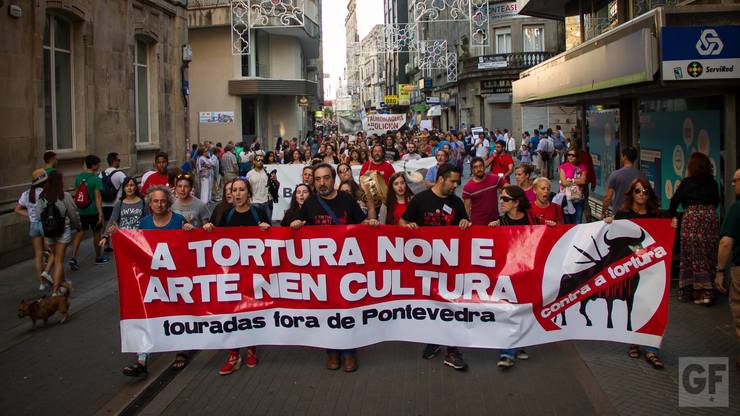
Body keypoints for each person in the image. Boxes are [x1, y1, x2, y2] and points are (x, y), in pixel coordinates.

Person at [290, 163, 378, 372]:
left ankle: (349, 351)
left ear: (333, 179)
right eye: (318, 179)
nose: (322, 182)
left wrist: (370, 223)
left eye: (326, 178)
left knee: (348, 308)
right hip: (321, 269)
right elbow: (296, 228)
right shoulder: (310, 203)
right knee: (326, 310)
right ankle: (331, 351)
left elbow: (361, 222)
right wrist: (295, 226)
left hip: (347, 266)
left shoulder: (346, 199)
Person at [400, 164, 471, 371]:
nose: (456, 185)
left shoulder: (456, 202)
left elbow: (465, 226)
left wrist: (466, 225)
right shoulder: (421, 200)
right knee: (432, 305)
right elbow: (402, 222)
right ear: (441, 179)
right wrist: (409, 227)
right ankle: (434, 339)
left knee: (451, 305)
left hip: (450, 266)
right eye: (453, 181)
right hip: (426, 265)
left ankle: (452, 350)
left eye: (457, 182)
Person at [121, 186, 194, 378]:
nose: (159, 204)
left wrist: (189, 230)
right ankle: (141, 360)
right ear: (150, 203)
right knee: (147, 314)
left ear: (168, 202)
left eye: (162, 201)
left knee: (178, 311)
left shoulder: (178, 220)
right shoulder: (144, 222)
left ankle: (182, 350)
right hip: (152, 279)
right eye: (155, 201)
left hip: (176, 278)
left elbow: (191, 246)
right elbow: (136, 246)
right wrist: (115, 235)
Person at [604, 178, 675, 369]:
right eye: (638, 191)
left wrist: (672, 226)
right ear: (631, 194)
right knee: (634, 304)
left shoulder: (657, 215)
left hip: (653, 269)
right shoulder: (623, 214)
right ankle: (634, 340)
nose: (642, 194)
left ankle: (652, 348)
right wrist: (609, 222)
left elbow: (662, 238)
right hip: (632, 269)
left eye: (645, 191)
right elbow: (616, 238)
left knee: (654, 306)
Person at [203, 178, 269, 375]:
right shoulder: (226, 214)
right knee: (232, 311)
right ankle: (233, 354)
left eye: (241, 190)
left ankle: (251, 349)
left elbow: (271, 240)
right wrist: (209, 230)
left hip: (253, 272)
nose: (238, 194)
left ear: (248, 192)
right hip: (231, 272)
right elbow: (217, 239)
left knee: (250, 310)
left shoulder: (259, 212)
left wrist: (266, 230)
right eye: (234, 190)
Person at [488, 185, 540, 368]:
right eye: (500, 198)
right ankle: (507, 352)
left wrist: (551, 227)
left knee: (523, 310)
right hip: (507, 276)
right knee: (507, 312)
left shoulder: (532, 219)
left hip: (527, 273)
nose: (501, 202)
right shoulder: (499, 223)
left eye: (505, 199)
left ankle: (519, 345)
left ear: (516, 202)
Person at [669, 152, 721, 305]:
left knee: (691, 254)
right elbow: (717, 202)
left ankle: (691, 290)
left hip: (692, 218)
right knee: (708, 252)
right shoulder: (713, 183)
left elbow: (674, 202)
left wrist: (673, 216)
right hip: (710, 218)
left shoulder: (687, 183)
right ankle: (707, 290)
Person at [37, 171, 79, 296]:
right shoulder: (64, 195)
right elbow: (73, 213)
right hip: (63, 230)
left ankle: (63, 282)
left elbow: (39, 215)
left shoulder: (42, 197)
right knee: (59, 261)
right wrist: (77, 226)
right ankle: (55, 292)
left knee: (56, 258)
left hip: (49, 232)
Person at [715, 169, 740, 369]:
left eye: (735, 181)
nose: (732, 184)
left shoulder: (737, 208)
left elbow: (725, 242)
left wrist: (720, 270)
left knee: (739, 308)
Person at [15, 169, 54, 290]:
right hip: (45, 224)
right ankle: (46, 272)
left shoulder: (26, 193)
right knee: (54, 252)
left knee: (38, 254)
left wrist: (30, 215)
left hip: (34, 225)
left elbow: (17, 209)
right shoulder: (47, 192)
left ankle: (41, 283)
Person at [68, 155, 108, 270]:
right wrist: (100, 214)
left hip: (81, 210)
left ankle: (73, 257)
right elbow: (97, 198)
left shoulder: (79, 177)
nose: (99, 166)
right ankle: (98, 256)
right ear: (94, 165)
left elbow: (77, 194)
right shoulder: (96, 179)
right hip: (93, 211)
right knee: (96, 233)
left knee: (79, 233)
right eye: (98, 164)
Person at [98, 177, 147, 250]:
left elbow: (148, 219)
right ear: (124, 188)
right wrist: (105, 236)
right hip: (124, 238)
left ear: (136, 187)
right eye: (126, 186)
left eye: (131, 185)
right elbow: (112, 220)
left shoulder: (143, 202)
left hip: (140, 239)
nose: (129, 188)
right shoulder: (119, 204)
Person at [602, 147, 646, 217]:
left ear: (624, 157)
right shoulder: (642, 175)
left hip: (618, 214)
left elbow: (608, 197)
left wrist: (603, 212)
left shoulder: (615, 175)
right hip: (637, 214)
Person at [463, 157, 505, 226]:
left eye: (481, 166)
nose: (479, 169)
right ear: (472, 170)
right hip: (477, 224)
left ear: (484, 167)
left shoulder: (495, 179)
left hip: (495, 222)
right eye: (475, 167)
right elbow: (466, 208)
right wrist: (466, 221)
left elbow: (508, 189)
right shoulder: (467, 187)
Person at [99, 153, 127, 252]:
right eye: (118, 160)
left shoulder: (101, 174)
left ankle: (106, 245)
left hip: (104, 203)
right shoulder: (119, 174)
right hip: (116, 203)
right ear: (114, 161)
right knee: (116, 223)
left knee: (107, 223)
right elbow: (127, 185)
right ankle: (116, 243)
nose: (119, 162)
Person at [559, 148, 589, 224]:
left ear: (577, 157)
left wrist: (570, 180)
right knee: (567, 222)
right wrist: (576, 181)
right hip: (566, 198)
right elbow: (564, 182)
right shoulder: (563, 166)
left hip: (578, 197)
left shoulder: (582, 166)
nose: (570, 157)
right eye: (569, 155)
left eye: (573, 155)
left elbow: (583, 181)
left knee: (578, 221)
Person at [247, 154, 278, 221]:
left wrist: (275, 180)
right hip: (254, 202)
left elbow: (277, 186)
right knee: (256, 224)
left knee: (268, 223)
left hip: (267, 201)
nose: (260, 161)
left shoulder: (268, 172)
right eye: (258, 160)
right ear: (254, 161)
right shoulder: (249, 174)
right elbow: (247, 188)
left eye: (262, 160)